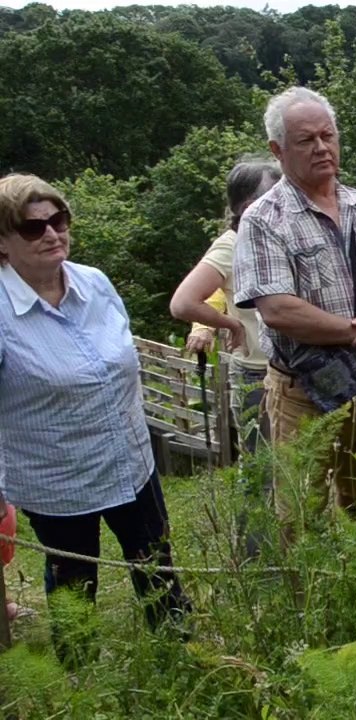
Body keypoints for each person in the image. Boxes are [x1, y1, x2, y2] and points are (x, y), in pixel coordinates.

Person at [0, 174, 191, 661]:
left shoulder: (95, 283)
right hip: (60, 481)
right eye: (32, 227)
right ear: (3, 241)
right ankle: (82, 689)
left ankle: (185, 662)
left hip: (131, 462)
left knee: (159, 573)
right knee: (74, 594)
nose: (51, 234)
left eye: (58, 220)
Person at [232, 87, 356, 524]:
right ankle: (311, 595)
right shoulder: (263, 219)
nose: (321, 148)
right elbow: (277, 309)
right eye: (306, 140)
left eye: (328, 136)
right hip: (303, 396)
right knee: (302, 519)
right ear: (278, 150)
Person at [170, 158, 282, 457]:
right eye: (275, 196)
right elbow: (183, 303)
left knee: (296, 472)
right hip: (255, 375)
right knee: (261, 471)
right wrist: (230, 324)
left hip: (290, 372)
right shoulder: (230, 245)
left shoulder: (275, 239)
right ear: (248, 207)